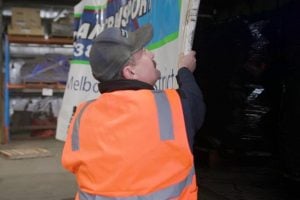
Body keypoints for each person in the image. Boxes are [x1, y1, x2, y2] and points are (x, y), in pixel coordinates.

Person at [61, 24, 205, 200]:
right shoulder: (171, 105)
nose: (151, 54)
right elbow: (195, 101)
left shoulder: (82, 115)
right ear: (130, 72)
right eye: (144, 51)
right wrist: (185, 70)